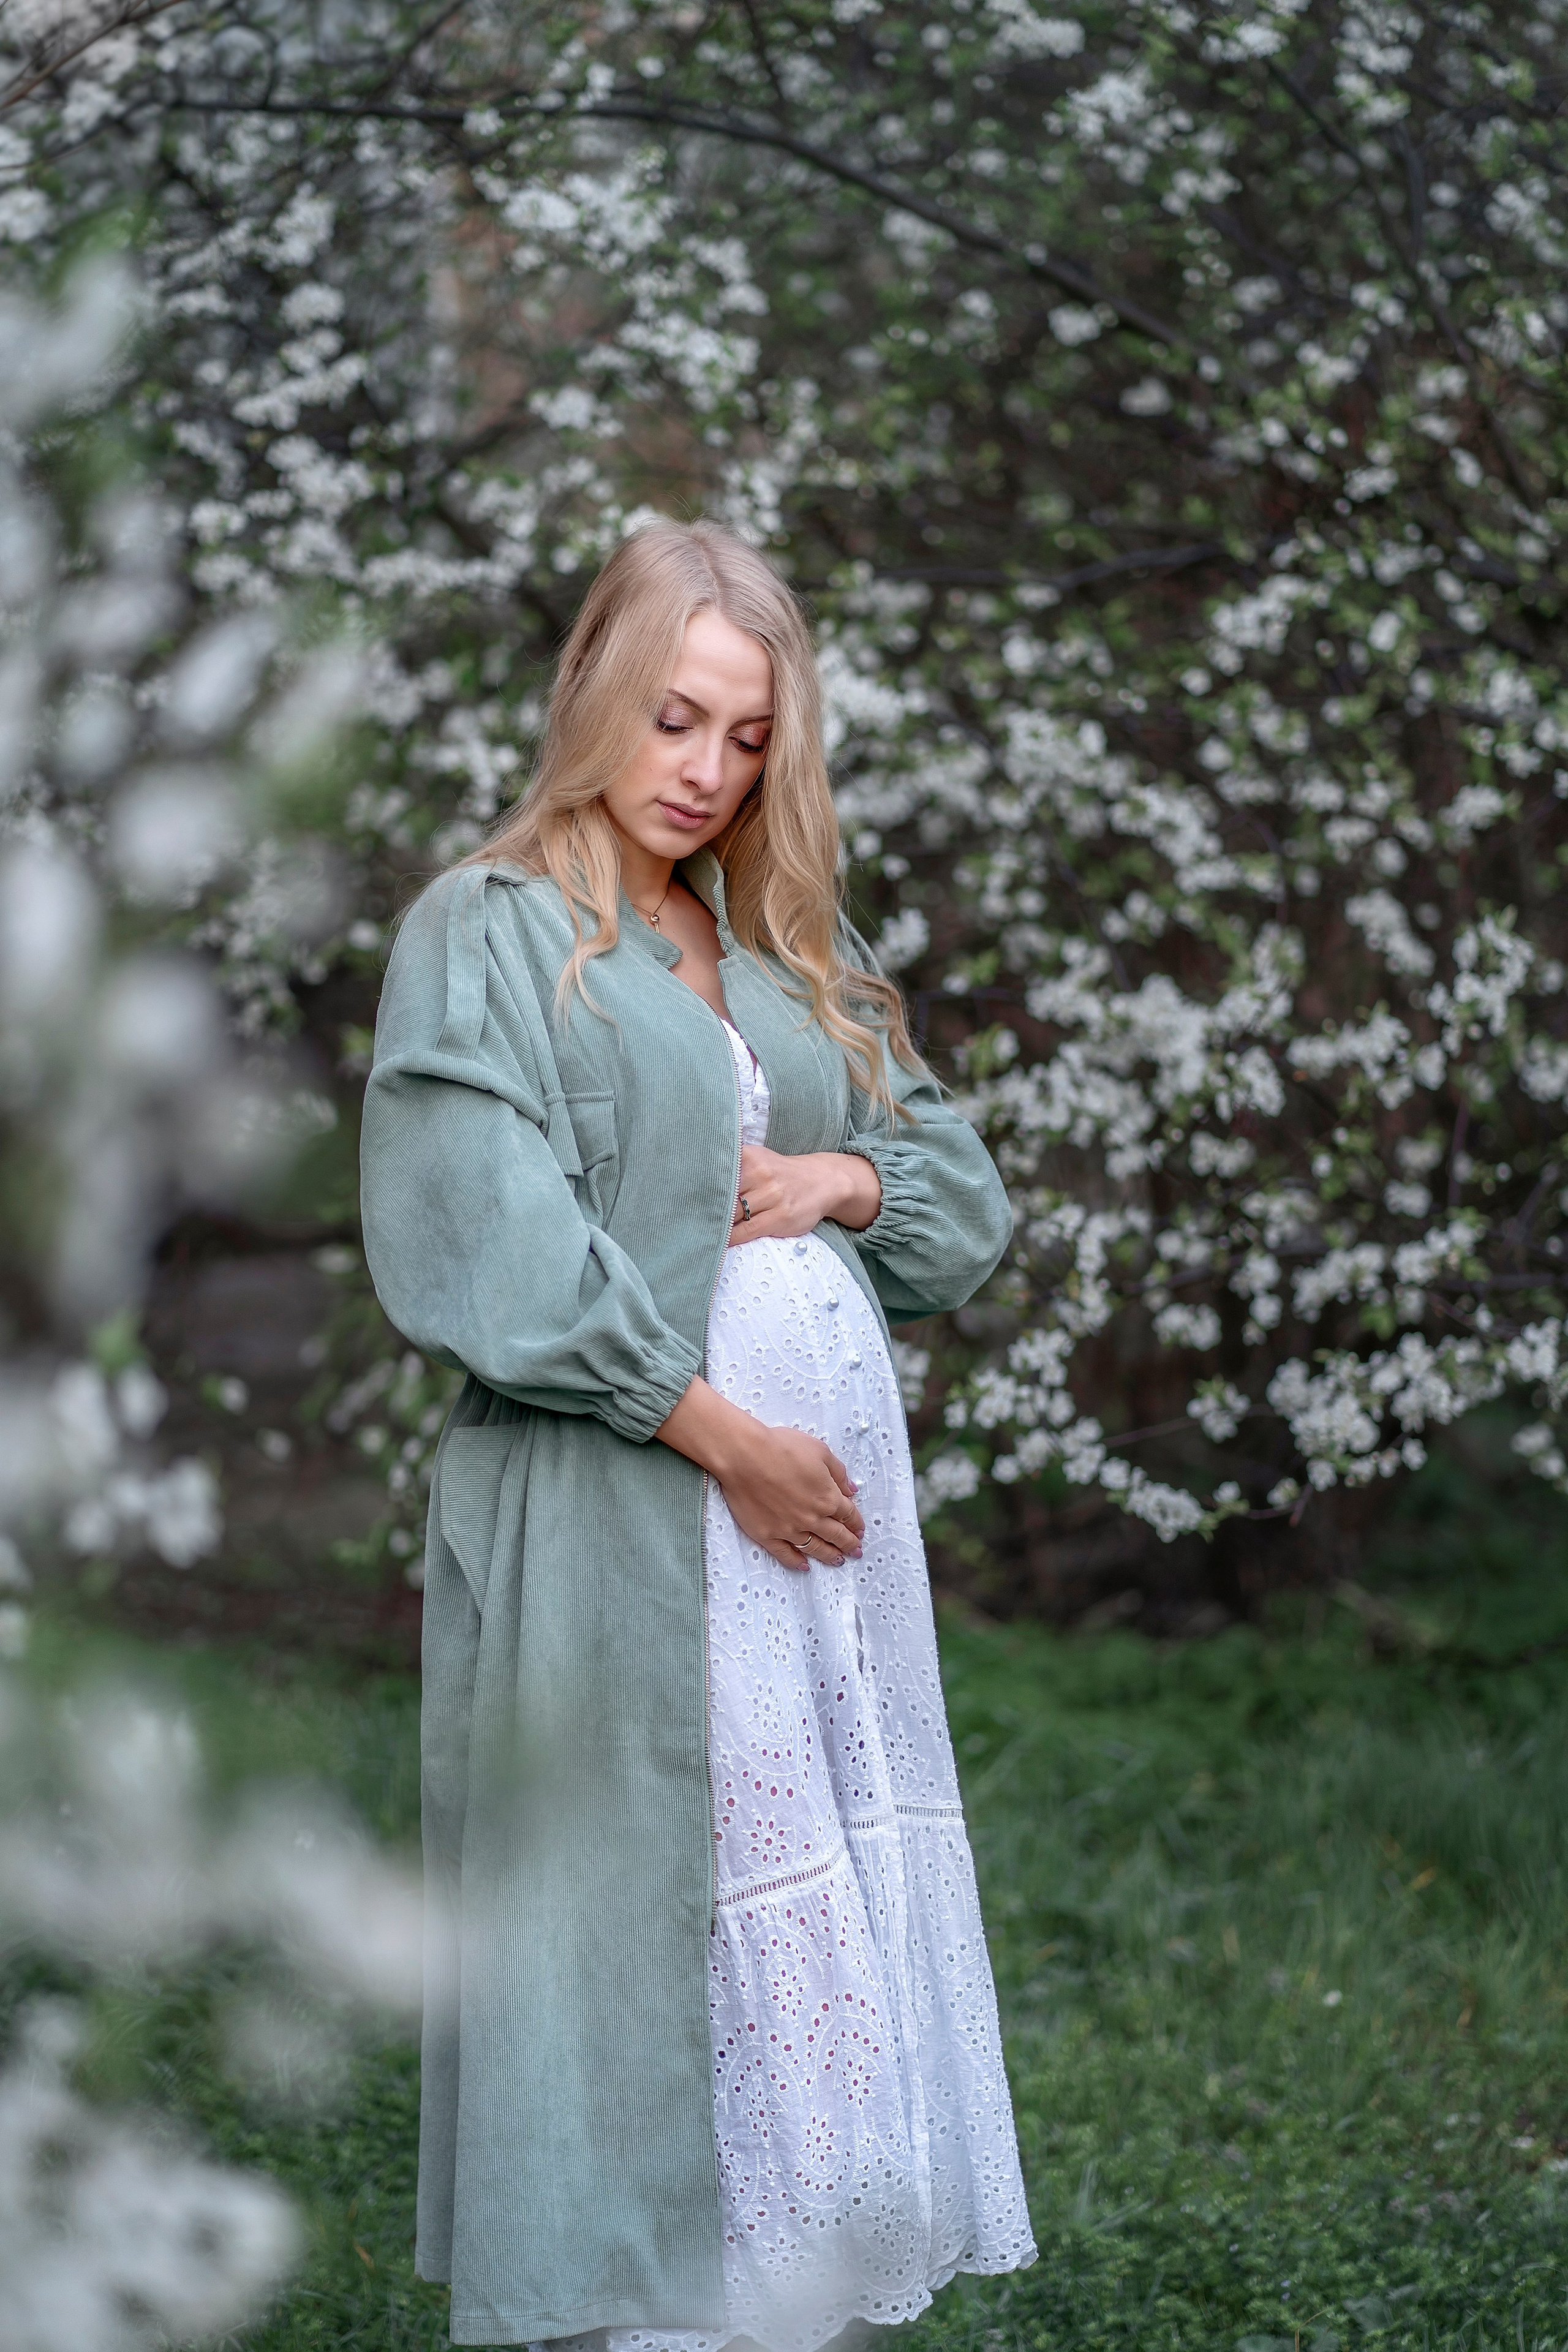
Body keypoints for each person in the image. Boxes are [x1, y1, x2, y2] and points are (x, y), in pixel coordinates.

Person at [360, 518, 1036, 2352]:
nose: (707, 773)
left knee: (792, 1901)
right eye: (676, 720)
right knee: (645, 1914)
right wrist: (722, 1431)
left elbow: (960, 1201)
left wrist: (836, 1176)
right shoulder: (489, 934)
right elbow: (477, 1238)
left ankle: (784, 2304)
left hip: (809, 1552)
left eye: (747, 739)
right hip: (626, 1508)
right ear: (594, 689)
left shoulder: (776, 936)